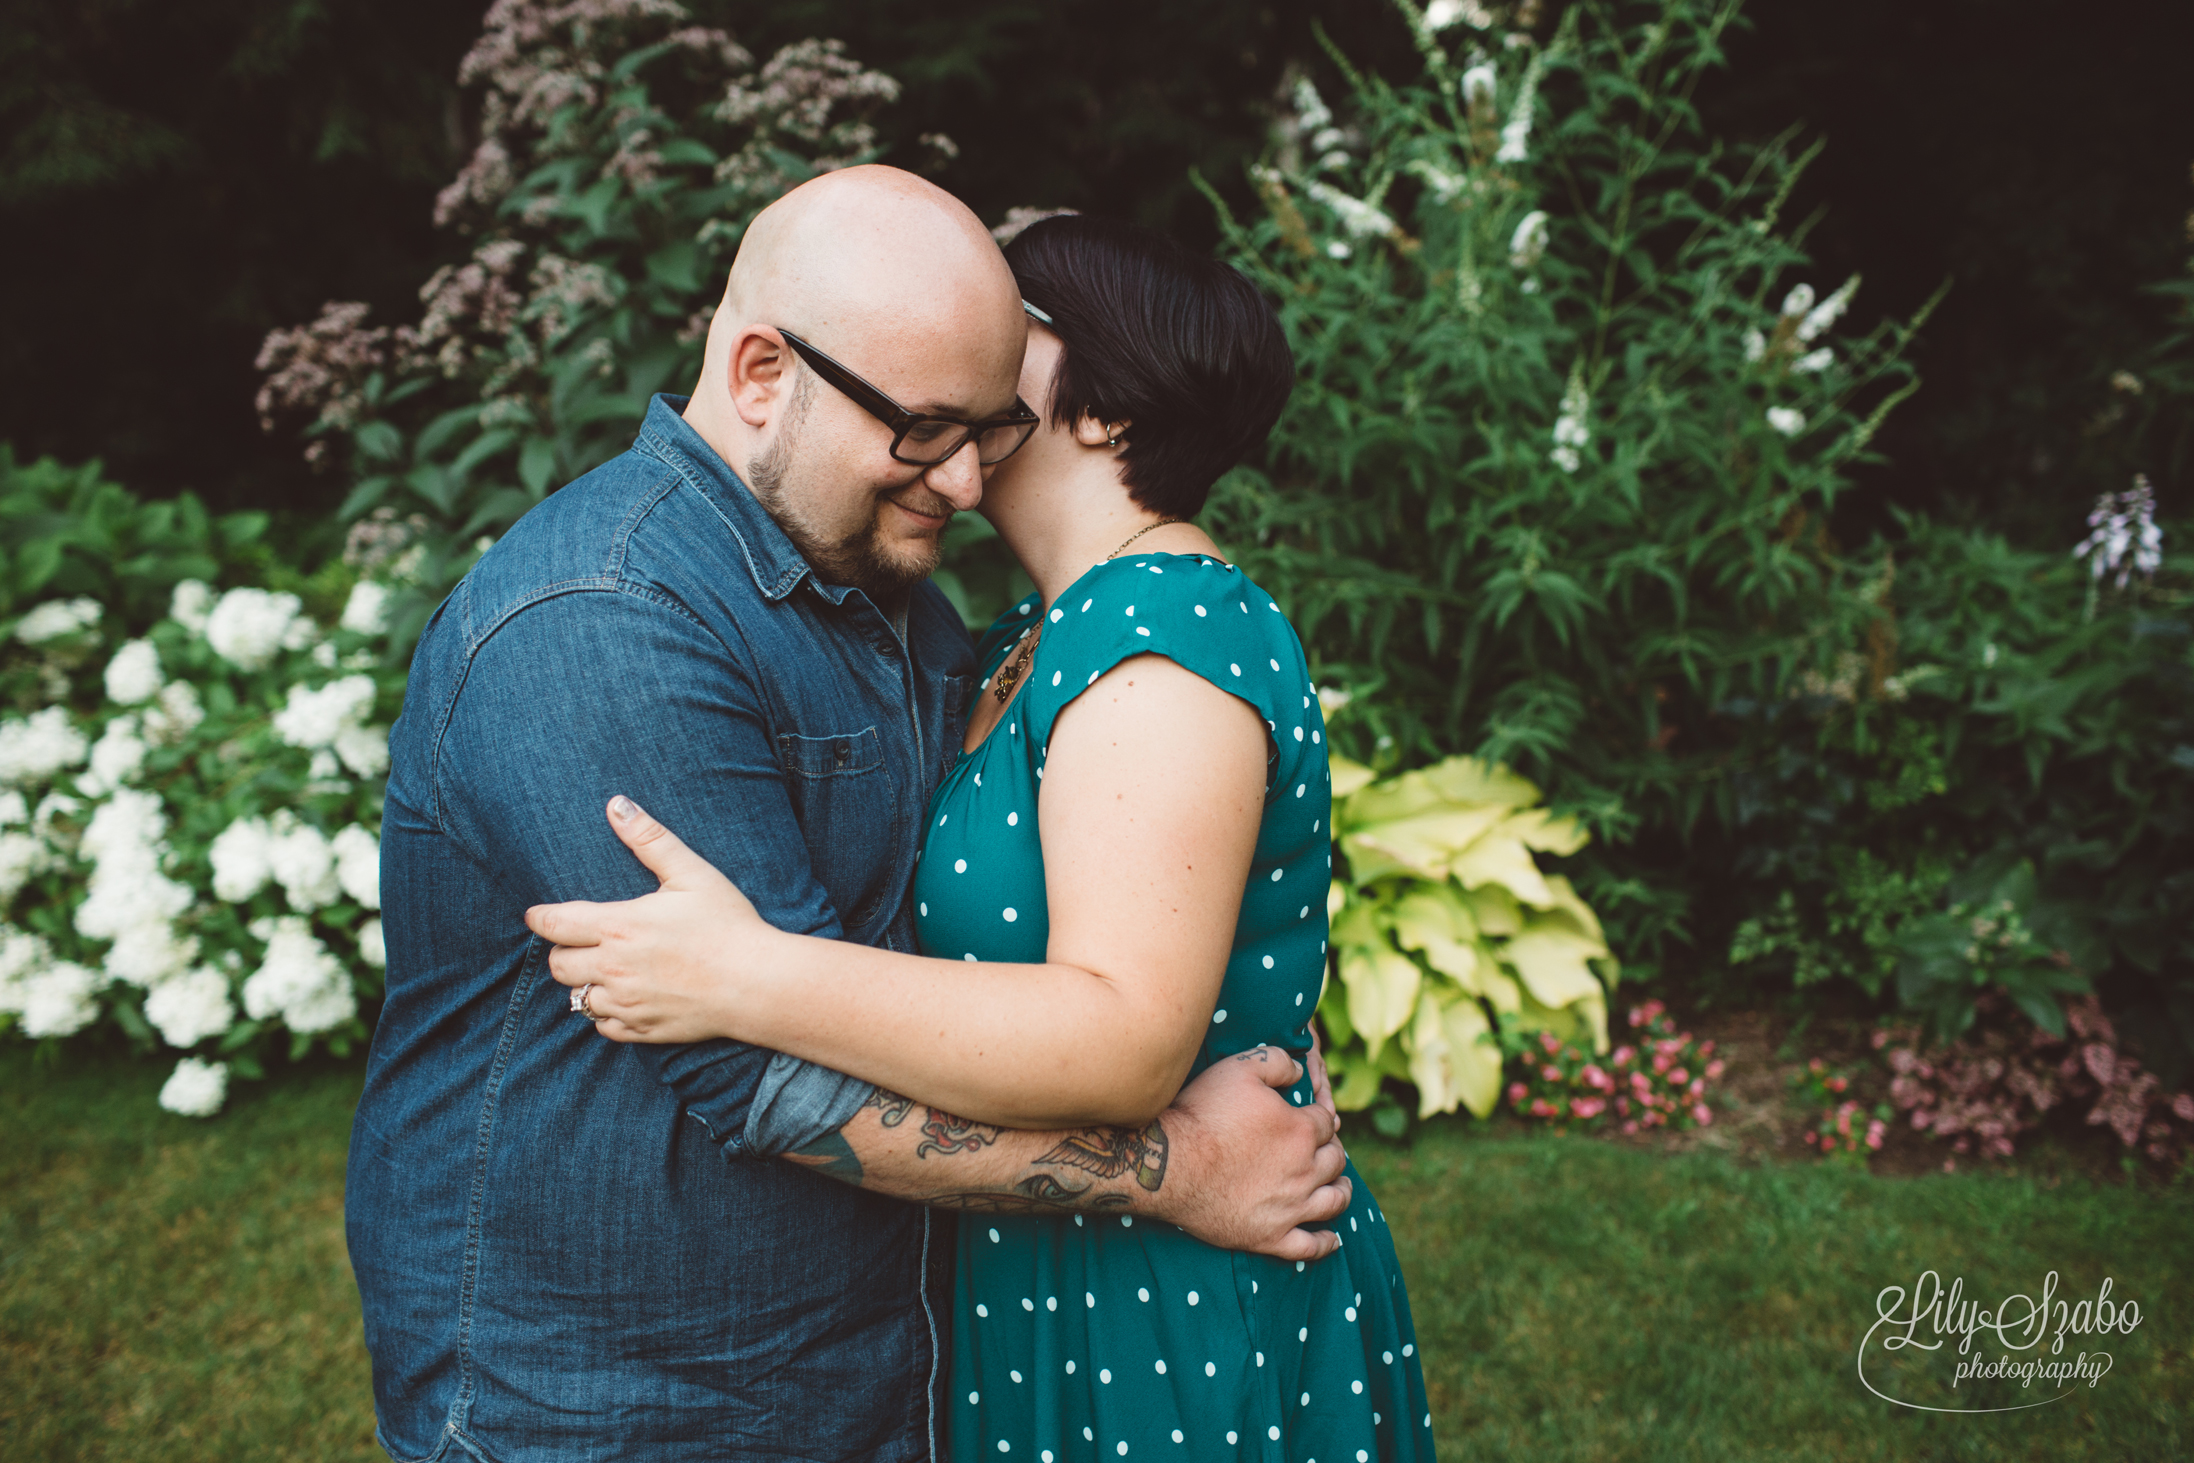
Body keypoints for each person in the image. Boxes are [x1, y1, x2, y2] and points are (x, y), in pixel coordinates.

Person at [348, 168, 1352, 1463]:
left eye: (987, 425)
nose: (961, 472)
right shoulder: (601, 624)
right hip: (615, 1399)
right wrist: (1182, 1169)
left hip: (870, 1365)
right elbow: (769, 1077)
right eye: (926, 426)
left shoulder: (891, 591)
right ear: (763, 372)